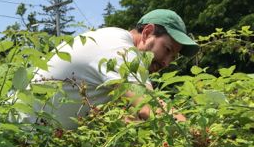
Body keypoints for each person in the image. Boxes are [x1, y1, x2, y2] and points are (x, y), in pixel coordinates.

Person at [29, 9, 199, 128]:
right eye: (167, 50)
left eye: (173, 57)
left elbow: (128, 119)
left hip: (48, 143)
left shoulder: (111, 39)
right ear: (147, 33)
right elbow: (148, 108)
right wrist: (200, 136)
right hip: (25, 142)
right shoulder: (120, 49)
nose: (166, 63)